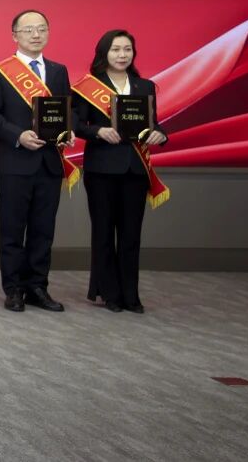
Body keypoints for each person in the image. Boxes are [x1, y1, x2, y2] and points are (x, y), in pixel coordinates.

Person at [73, 29, 169, 314]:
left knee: (131, 234)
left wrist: (160, 134)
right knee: (103, 232)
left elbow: (154, 122)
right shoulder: (88, 86)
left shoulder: (144, 86)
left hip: (135, 169)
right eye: (116, 49)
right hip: (101, 168)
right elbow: (76, 124)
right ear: (104, 53)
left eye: (127, 49)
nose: (122, 55)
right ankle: (109, 293)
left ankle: (131, 294)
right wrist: (98, 131)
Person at [0, 10, 73, 313]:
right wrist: (18, 135)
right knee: (12, 228)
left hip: (49, 162)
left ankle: (38, 286)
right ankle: (13, 289)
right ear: (15, 35)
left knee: (43, 229)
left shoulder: (58, 71)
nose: (36, 35)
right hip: (14, 160)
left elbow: (65, 111)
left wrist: (67, 132)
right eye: (29, 30)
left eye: (42, 29)